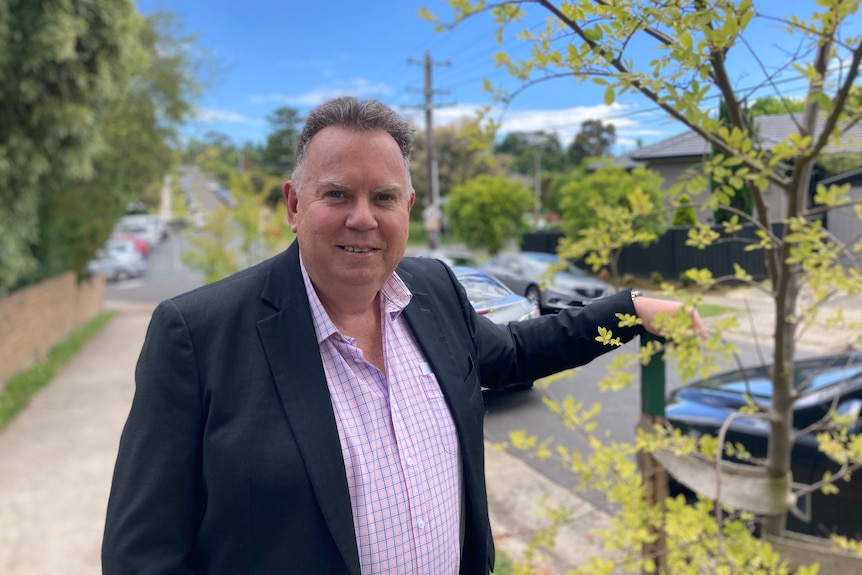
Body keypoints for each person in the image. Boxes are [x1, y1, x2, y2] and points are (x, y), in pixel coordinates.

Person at [102, 96, 705, 575]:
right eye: (336, 194)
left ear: (407, 207)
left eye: (383, 197)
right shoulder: (197, 334)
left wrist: (629, 310)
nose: (362, 217)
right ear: (293, 203)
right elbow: (142, 555)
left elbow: (517, 351)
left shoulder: (435, 291)